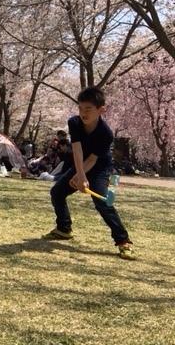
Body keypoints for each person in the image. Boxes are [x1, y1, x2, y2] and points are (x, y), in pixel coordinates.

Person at [42, 87, 136, 260]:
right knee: (57, 192)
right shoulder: (74, 123)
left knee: (101, 201)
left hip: (100, 167)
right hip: (80, 164)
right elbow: (77, 150)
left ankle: (123, 241)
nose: (83, 113)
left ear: (101, 110)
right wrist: (79, 175)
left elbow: (93, 160)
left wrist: (81, 177)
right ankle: (64, 229)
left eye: (88, 109)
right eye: (80, 108)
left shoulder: (106, 133)